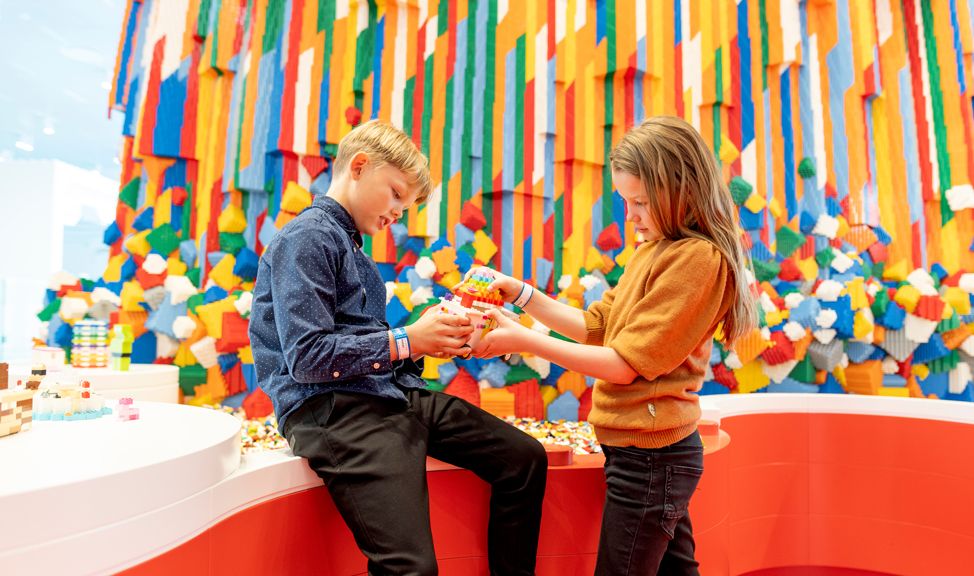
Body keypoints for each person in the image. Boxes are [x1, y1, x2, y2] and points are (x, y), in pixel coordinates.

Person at [460, 115, 758, 576]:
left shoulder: (698, 259)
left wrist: (525, 339)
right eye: (626, 201)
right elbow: (598, 324)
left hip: (654, 456)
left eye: (641, 202)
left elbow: (624, 365)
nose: (631, 215)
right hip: (640, 450)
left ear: (681, 190)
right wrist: (519, 293)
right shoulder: (652, 247)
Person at [249, 120, 548, 576]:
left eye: (405, 206)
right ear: (359, 166)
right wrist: (409, 339)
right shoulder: (306, 237)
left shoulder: (358, 255)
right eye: (395, 195)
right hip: (330, 408)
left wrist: (432, 340)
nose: (398, 214)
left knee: (524, 460)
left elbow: (366, 346)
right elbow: (308, 357)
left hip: (386, 395)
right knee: (411, 569)